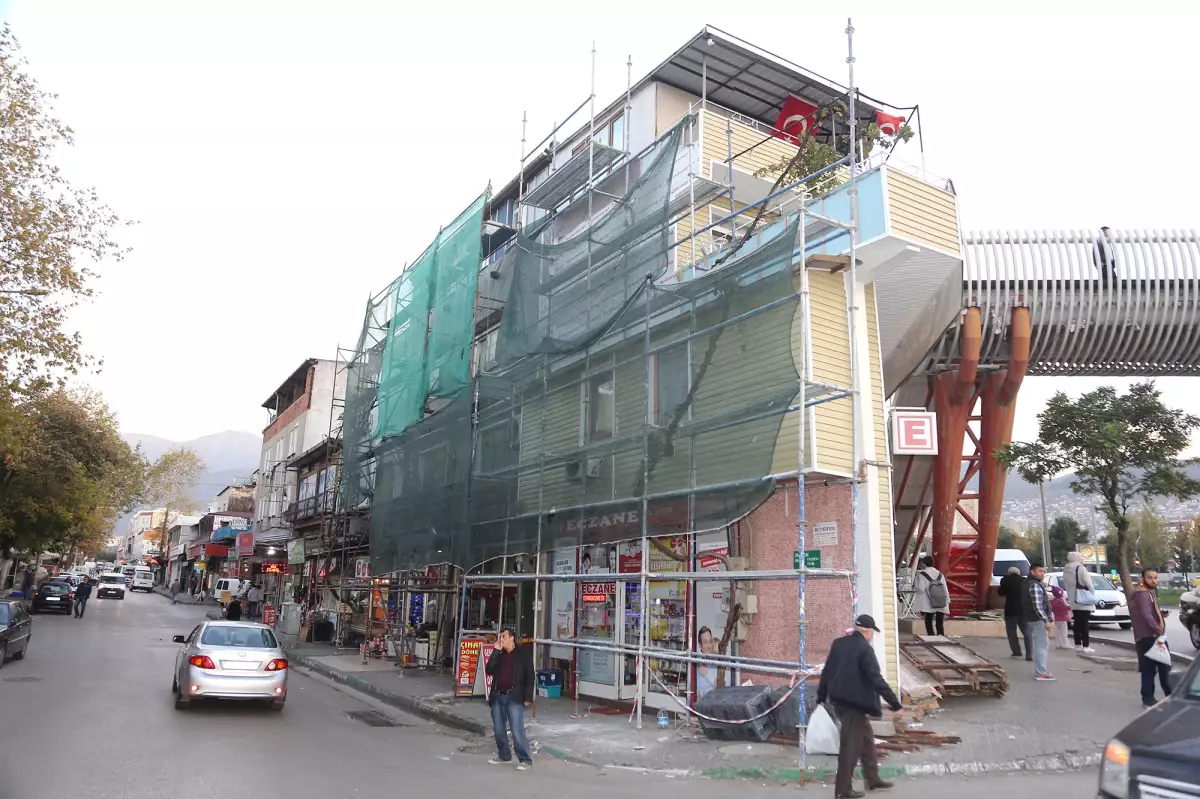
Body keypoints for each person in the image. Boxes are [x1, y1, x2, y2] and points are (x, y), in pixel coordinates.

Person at [817, 614, 901, 799]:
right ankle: (842, 790)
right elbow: (876, 679)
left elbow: (827, 671)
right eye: (872, 632)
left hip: (839, 700)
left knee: (867, 740)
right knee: (850, 747)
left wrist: (821, 696)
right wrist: (895, 703)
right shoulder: (865, 649)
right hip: (853, 704)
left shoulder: (839, 643)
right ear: (868, 631)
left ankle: (872, 779)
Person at [485, 627, 534, 771]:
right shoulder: (499, 655)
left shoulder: (522, 654)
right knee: (499, 729)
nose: (501, 640)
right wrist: (495, 651)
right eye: (500, 637)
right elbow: (489, 670)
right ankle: (504, 755)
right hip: (498, 697)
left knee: (516, 729)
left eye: (504, 637)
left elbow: (530, 676)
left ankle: (525, 759)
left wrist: (528, 697)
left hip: (514, 697)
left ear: (512, 638)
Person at [1130, 568, 1172, 707]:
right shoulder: (1142, 594)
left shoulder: (1146, 593)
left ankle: (1148, 699)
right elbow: (1145, 615)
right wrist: (1158, 630)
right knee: (1165, 668)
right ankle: (1171, 697)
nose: (1153, 581)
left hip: (1147, 637)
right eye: (1150, 578)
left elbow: (1149, 613)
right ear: (1142, 579)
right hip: (1152, 637)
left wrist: (1161, 615)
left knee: (1148, 670)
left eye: (1155, 578)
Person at [1022, 562, 1056, 681]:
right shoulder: (1034, 585)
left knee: (1042, 644)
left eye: (1043, 571)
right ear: (1033, 572)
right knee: (1041, 645)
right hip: (1037, 619)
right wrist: (1045, 620)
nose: (1042, 574)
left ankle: (1041, 670)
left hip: (1032, 618)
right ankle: (1041, 672)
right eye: (1040, 571)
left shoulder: (1028, 583)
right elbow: (1038, 606)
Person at [1063, 551, 1096, 653]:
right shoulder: (1080, 568)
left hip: (1073, 600)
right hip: (1083, 600)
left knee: (1077, 623)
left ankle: (1078, 645)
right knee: (1085, 623)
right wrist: (1092, 593)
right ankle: (1086, 646)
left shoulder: (1066, 569)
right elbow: (1089, 583)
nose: (1082, 559)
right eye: (1081, 557)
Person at [998, 566, 1030, 659]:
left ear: (1009, 573)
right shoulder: (1024, 580)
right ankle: (1029, 653)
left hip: (1010, 609)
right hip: (1023, 609)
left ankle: (1016, 651)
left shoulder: (1005, 580)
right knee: (1026, 631)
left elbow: (1001, 593)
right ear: (1018, 573)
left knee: (1012, 631)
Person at [913, 556, 949, 636]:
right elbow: (945, 588)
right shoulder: (940, 574)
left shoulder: (922, 574)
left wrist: (916, 582)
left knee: (928, 620)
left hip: (929, 601)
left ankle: (931, 636)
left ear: (923, 563)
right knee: (939, 621)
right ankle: (941, 637)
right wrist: (947, 599)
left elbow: (921, 589)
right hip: (940, 600)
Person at [1050, 584, 1071, 649]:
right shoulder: (1062, 601)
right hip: (1063, 618)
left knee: (1057, 633)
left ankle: (1058, 644)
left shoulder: (1052, 601)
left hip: (1055, 618)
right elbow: (1066, 608)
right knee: (1064, 633)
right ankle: (1066, 644)